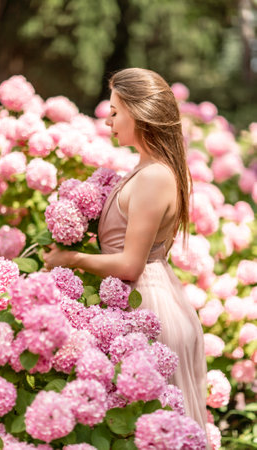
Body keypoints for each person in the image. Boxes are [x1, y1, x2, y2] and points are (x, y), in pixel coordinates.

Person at [43, 68, 207, 431]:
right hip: (143, 299)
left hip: (147, 305)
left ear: (140, 112)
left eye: (116, 112)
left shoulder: (154, 177)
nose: (108, 120)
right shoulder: (145, 170)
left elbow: (131, 265)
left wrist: (69, 259)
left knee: (156, 431)